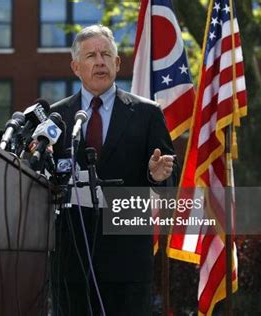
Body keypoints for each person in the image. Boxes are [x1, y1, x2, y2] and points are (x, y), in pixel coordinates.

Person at [50, 24, 178, 316]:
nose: (100, 61)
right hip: (71, 261)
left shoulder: (147, 113)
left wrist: (157, 175)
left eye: (107, 54)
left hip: (127, 261)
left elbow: (170, 173)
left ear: (118, 63)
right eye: (91, 55)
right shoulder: (58, 118)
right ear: (76, 67)